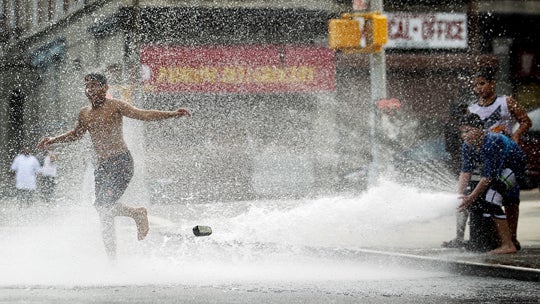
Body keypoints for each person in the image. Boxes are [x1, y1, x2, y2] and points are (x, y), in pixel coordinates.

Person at [37, 73, 191, 258]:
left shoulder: (115, 106)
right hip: (102, 166)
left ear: (105, 88)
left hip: (121, 161)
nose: (90, 89)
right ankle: (112, 260)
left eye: (94, 85)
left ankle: (137, 214)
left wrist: (172, 114)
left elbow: (143, 114)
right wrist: (53, 140)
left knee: (104, 205)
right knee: (103, 212)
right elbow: (76, 134)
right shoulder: (84, 113)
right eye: (88, 86)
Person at [443, 69, 531, 250]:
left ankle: (510, 241)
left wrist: (515, 135)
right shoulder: (471, 115)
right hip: (485, 157)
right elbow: (465, 172)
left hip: (509, 161)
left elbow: (525, 121)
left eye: (482, 83)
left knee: (506, 199)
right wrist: (460, 195)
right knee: (474, 193)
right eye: (475, 85)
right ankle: (465, 237)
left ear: (492, 83)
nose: (478, 88)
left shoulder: (505, 102)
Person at [455, 113, 525, 254]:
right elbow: (465, 172)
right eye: (462, 132)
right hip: (499, 170)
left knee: (492, 198)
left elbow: (487, 178)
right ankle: (499, 240)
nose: (464, 136)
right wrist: (460, 194)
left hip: (514, 168)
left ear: (480, 129)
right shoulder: (467, 145)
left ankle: (508, 245)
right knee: (485, 198)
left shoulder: (493, 141)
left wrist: (470, 198)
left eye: (467, 131)